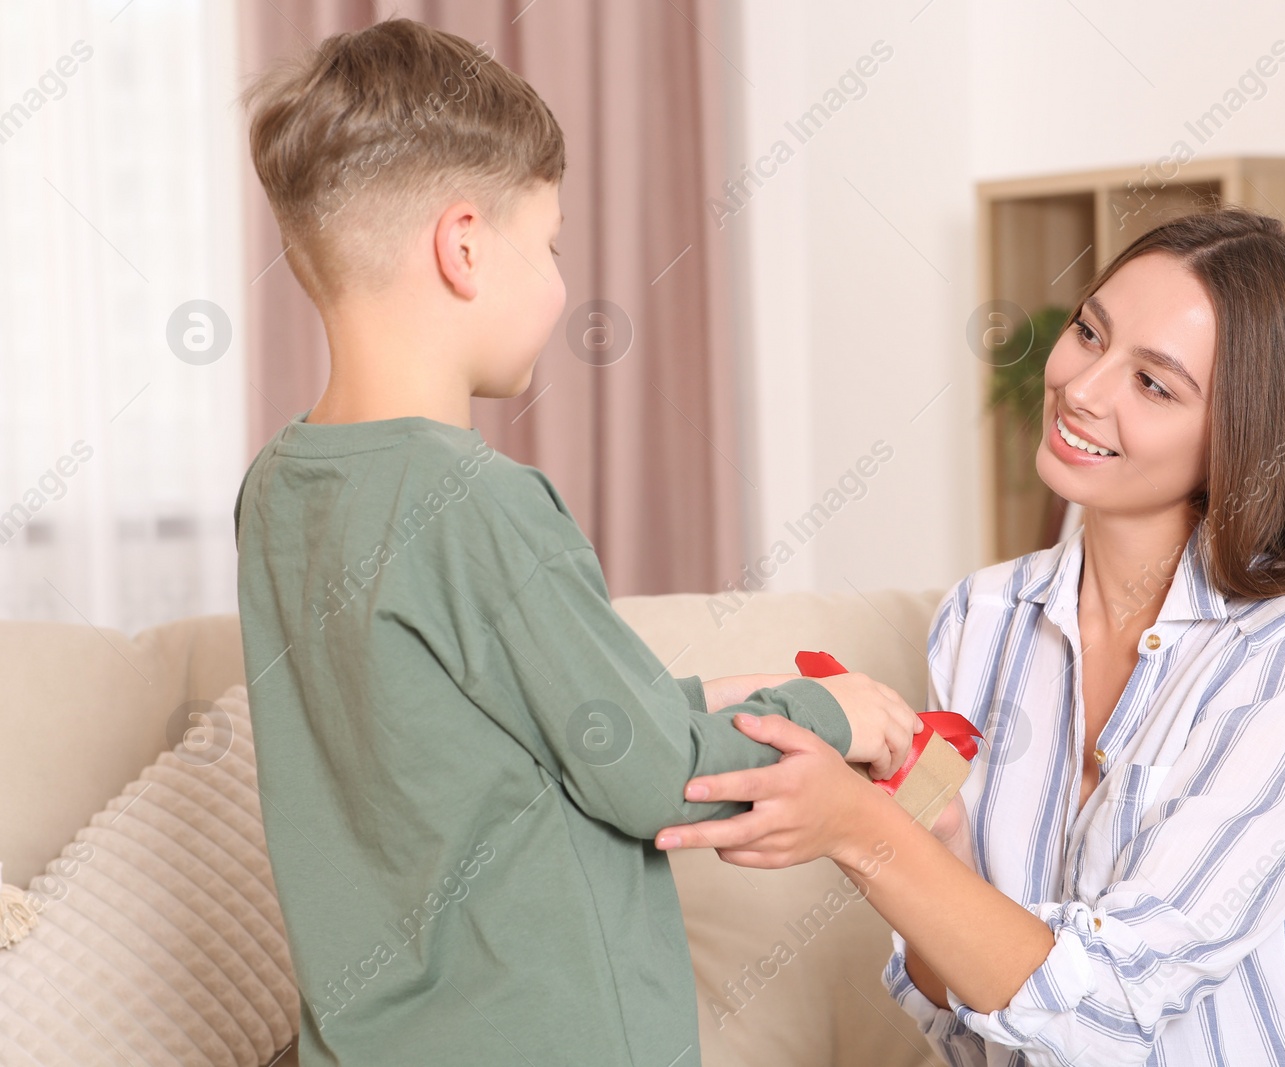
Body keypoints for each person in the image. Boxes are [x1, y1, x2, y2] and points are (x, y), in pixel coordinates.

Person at [232, 18, 921, 1066]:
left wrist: (702, 697)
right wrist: (831, 711)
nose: (559, 284)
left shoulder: (277, 490)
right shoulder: (478, 503)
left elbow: (490, 729)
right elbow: (644, 777)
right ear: (463, 246)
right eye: (549, 246)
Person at [656, 207, 1285, 1065]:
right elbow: (969, 1025)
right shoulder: (983, 621)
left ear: (1239, 439)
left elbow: (1108, 1008)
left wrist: (860, 834)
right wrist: (931, 838)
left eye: (1154, 384)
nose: (1083, 388)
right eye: (1089, 333)